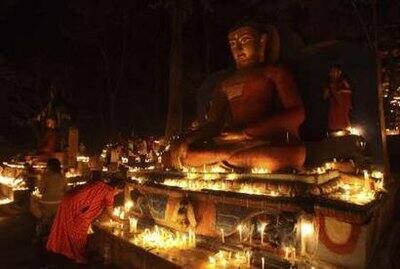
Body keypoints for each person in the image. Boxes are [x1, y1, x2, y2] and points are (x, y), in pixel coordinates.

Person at [167, 22, 305, 172]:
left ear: (262, 42)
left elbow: (297, 113)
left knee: (290, 155)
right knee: (181, 154)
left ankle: (222, 160)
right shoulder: (224, 84)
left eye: (245, 41)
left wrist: (246, 133)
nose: (238, 49)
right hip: (233, 143)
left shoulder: (274, 73)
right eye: (233, 44)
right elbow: (213, 124)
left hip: (267, 141)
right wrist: (186, 140)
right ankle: (227, 157)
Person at [46, 177, 125, 264]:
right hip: (75, 205)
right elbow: (111, 214)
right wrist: (123, 221)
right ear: (116, 187)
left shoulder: (100, 183)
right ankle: (78, 256)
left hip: (68, 199)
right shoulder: (109, 191)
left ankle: (62, 249)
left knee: (64, 226)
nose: (116, 194)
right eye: (118, 192)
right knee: (79, 231)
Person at [36, 158, 66, 242]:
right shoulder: (62, 176)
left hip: (46, 202)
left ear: (49, 166)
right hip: (59, 203)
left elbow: (41, 190)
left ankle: (41, 236)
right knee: (55, 219)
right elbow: (66, 190)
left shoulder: (44, 176)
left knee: (43, 218)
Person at [323, 65, 352, 132]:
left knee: (343, 124)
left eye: (334, 71)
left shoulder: (343, 83)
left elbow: (343, 99)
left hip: (342, 111)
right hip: (333, 111)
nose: (332, 73)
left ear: (339, 72)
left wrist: (334, 90)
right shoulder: (330, 83)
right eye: (331, 72)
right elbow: (325, 97)